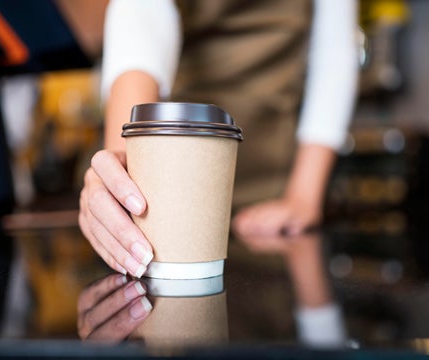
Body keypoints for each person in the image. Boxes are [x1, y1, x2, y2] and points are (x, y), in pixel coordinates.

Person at [79, 0, 359, 278]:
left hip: (269, 192)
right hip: (166, 186)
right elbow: (145, 12)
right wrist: (122, 166)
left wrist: (303, 197)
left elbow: (333, 49)